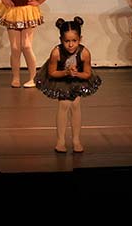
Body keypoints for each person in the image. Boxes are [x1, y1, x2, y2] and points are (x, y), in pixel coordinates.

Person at [35, 17, 102, 153]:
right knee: (64, 105)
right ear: (61, 40)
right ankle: (60, 141)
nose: (71, 45)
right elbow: (52, 72)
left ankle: (76, 140)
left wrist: (76, 74)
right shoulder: (56, 53)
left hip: (77, 79)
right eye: (67, 41)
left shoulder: (84, 53)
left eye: (74, 41)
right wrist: (66, 72)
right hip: (61, 78)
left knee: (76, 105)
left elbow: (87, 73)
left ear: (80, 39)